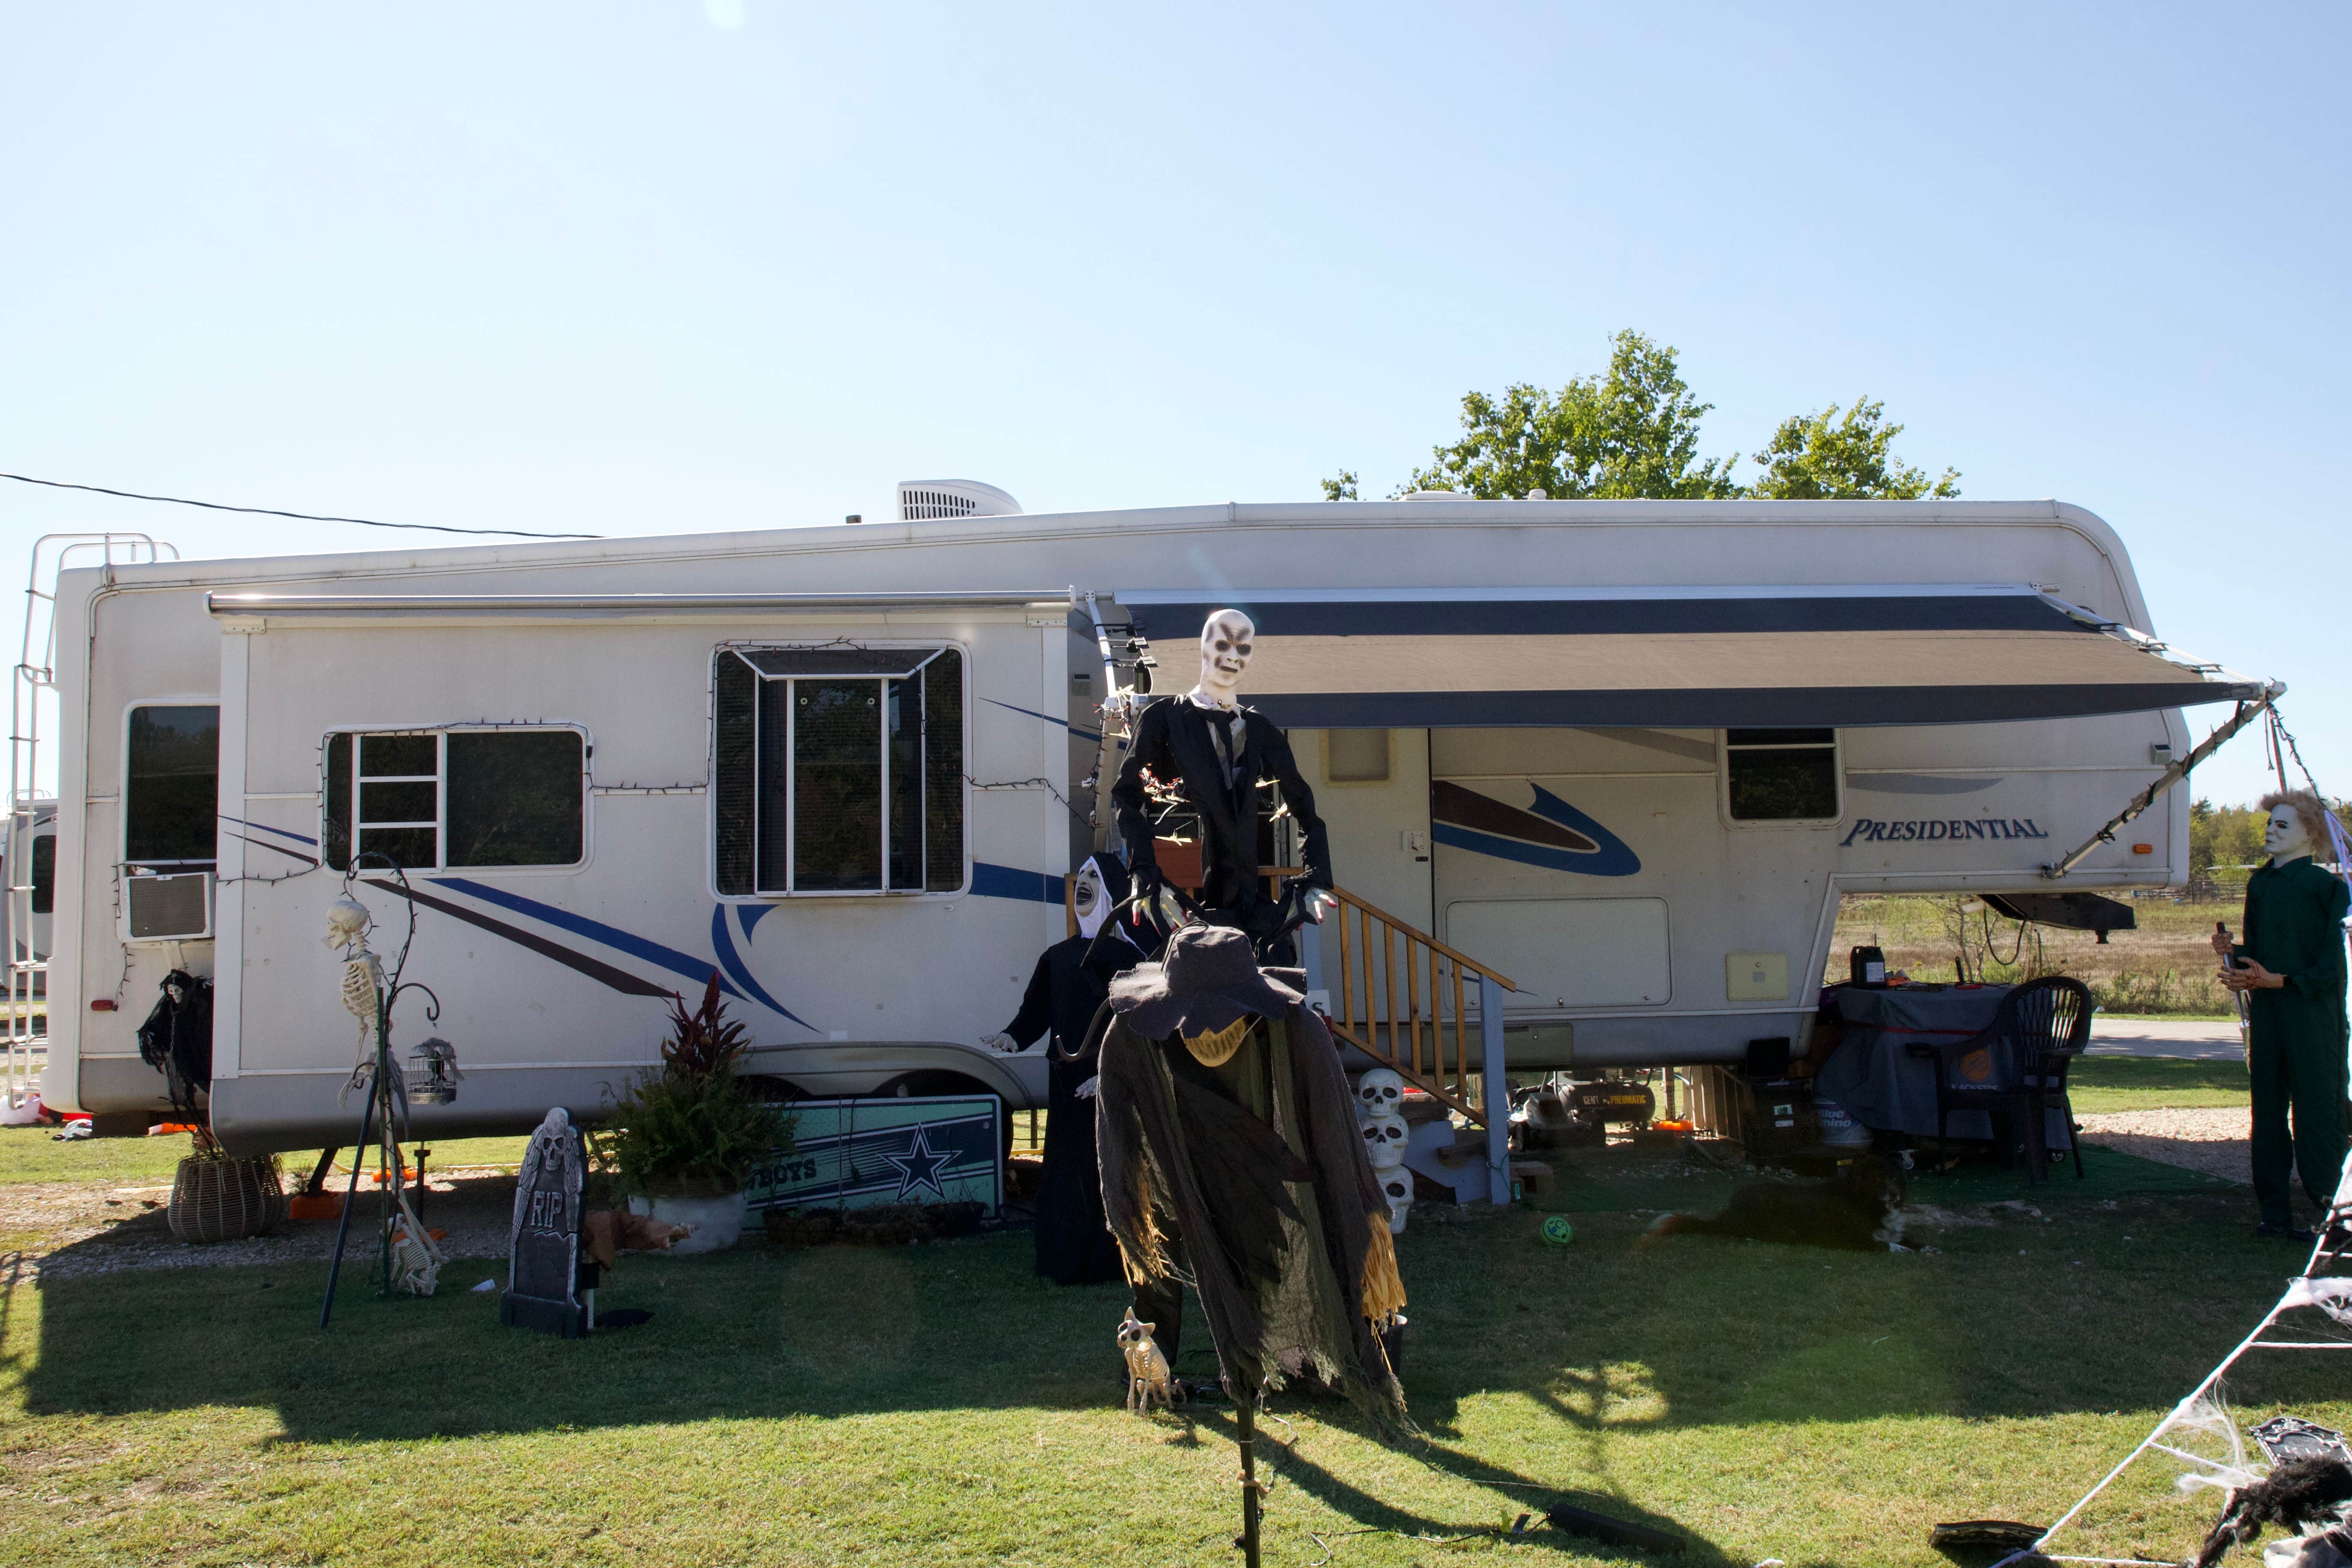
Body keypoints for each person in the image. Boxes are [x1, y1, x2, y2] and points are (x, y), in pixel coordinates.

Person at [1108, 608, 1334, 960]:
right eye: (1223, 643)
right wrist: (1145, 871)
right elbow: (1126, 794)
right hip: (1195, 912)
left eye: (1243, 648)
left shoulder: (1259, 729)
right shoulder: (1165, 720)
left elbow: (1302, 801)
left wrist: (1317, 875)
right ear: (1203, 647)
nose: (1232, 655)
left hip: (1254, 915)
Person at [983, 855, 1145, 1284]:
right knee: (1064, 1172)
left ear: (1111, 893)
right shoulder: (1056, 957)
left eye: (1094, 877)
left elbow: (1136, 1027)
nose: (1083, 884)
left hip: (1109, 1086)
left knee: (1108, 1172)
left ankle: (1110, 1263)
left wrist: (1110, 1074)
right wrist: (1012, 1037)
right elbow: (1033, 1014)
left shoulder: (1130, 959)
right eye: (1081, 876)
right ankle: (1062, 1260)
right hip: (1065, 1087)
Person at [2212, 790, 2351, 1242]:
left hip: (2312, 1017)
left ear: (2310, 834)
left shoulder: (2326, 887)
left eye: (2282, 825)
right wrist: (2234, 957)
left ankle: (2331, 1214)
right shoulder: (2260, 884)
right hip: (2268, 1014)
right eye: (2269, 824)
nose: (2270, 831)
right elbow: (2261, 953)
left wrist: (2278, 981)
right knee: (2267, 1109)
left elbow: (2330, 967)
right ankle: (2273, 1212)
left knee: (2318, 1111)